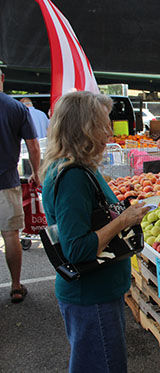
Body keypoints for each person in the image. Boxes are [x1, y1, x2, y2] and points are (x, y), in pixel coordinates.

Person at [41, 91, 150, 372]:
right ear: (84, 129)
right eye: (103, 124)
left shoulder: (75, 168)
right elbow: (77, 249)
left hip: (96, 296)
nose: (110, 132)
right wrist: (123, 220)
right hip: (91, 298)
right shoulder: (73, 176)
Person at [0, 67, 41, 303]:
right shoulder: (17, 108)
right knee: (11, 235)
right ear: (3, 79)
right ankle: (16, 286)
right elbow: (33, 146)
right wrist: (36, 172)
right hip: (6, 182)